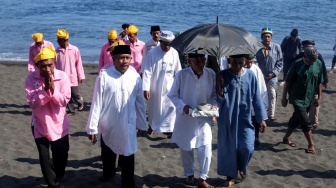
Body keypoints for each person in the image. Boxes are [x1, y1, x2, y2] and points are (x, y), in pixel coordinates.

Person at [86, 45, 146, 187]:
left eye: (127, 58)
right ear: (113, 59)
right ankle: (108, 174)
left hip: (128, 123)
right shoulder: (104, 76)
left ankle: (128, 182)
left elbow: (140, 104)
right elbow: (96, 102)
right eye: (121, 58)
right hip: (108, 122)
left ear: (131, 58)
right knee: (108, 152)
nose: (124, 61)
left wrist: (142, 124)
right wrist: (92, 128)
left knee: (128, 153)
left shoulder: (135, 77)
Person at [216, 54, 267, 187]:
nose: (237, 66)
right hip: (228, 118)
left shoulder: (250, 75)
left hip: (245, 118)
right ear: (229, 62)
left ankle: (242, 167)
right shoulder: (223, 75)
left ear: (245, 62)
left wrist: (261, 118)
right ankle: (231, 176)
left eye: (240, 63)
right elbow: (218, 99)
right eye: (234, 63)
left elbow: (257, 98)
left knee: (247, 147)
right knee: (229, 148)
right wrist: (220, 89)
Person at [168, 52, 217, 188]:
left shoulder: (210, 73)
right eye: (197, 62)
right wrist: (183, 106)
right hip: (186, 117)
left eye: (203, 61)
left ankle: (202, 178)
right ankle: (189, 175)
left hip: (204, 116)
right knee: (186, 146)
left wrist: (214, 106)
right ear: (189, 62)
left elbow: (214, 95)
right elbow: (172, 95)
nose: (201, 64)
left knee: (206, 147)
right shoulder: (181, 75)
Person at [25, 46, 71, 188]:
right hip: (40, 124)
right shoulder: (31, 78)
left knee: (61, 156)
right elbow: (32, 103)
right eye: (43, 66)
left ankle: (60, 174)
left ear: (54, 63)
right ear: (37, 65)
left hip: (59, 124)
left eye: (50, 65)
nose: (47, 69)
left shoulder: (62, 76)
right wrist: (44, 92)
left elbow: (64, 100)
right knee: (44, 158)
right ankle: (53, 184)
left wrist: (53, 90)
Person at [281, 47, 323, 155]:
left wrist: (319, 97)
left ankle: (285, 138)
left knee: (296, 119)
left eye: (313, 60)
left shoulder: (318, 64)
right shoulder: (296, 64)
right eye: (310, 60)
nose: (312, 62)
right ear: (305, 57)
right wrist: (284, 97)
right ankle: (311, 144)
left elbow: (319, 82)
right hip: (296, 98)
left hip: (309, 98)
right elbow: (288, 82)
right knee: (305, 121)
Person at [142, 30, 181, 137]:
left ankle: (170, 129)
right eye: (165, 43)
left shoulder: (174, 53)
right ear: (161, 41)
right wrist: (146, 88)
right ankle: (152, 126)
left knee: (171, 108)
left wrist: (179, 87)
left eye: (169, 44)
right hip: (155, 87)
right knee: (154, 108)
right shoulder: (152, 53)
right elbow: (147, 71)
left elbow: (178, 72)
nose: (167, 46)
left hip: (170, 87)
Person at [294, 39, 328, 129]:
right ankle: (303, 121)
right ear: (303, 48)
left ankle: (313, 122)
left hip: (315, 85)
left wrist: (326, 81)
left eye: (311, 46)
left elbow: (323, 69)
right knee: (303, 106)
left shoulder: (318, 56)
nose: (309, 48)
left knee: (315, 105)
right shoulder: (299, 57)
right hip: (302, 87)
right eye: (307, 47)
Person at [55, 28, 85, 115]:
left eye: (59, 40)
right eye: (57, 40)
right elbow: (55, 66)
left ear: (64, 40)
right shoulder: (57, 52)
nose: (57, 41)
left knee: (75, 94)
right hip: (62, 78)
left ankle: (80, 101)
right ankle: (71, 110)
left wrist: (81, 76)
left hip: (73, 76)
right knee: (67, 95)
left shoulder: (74, 50)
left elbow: (78, 63)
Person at [256, 27, 283, 121]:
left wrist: (273, 73)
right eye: (265, 36)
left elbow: (280, 62)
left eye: (268, 36)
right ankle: (262, 113)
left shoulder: (277, 47)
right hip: (260, 76)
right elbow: (255, 61)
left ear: (271, 37)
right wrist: (259, 73)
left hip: (272, 77)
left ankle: (271, 114)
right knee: (261, 94)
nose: (266, 38)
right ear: (261, 37)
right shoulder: (257, 47)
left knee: (272, 94)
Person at [244, 54, 268, 147]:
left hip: (254, 99)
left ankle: (256, 138)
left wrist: (263, 103)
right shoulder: (239, 69)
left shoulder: (256, 69)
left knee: (255, 121)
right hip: (244, 102)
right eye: (247, 62)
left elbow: (261, 86)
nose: (249, 64)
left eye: (251, 62)